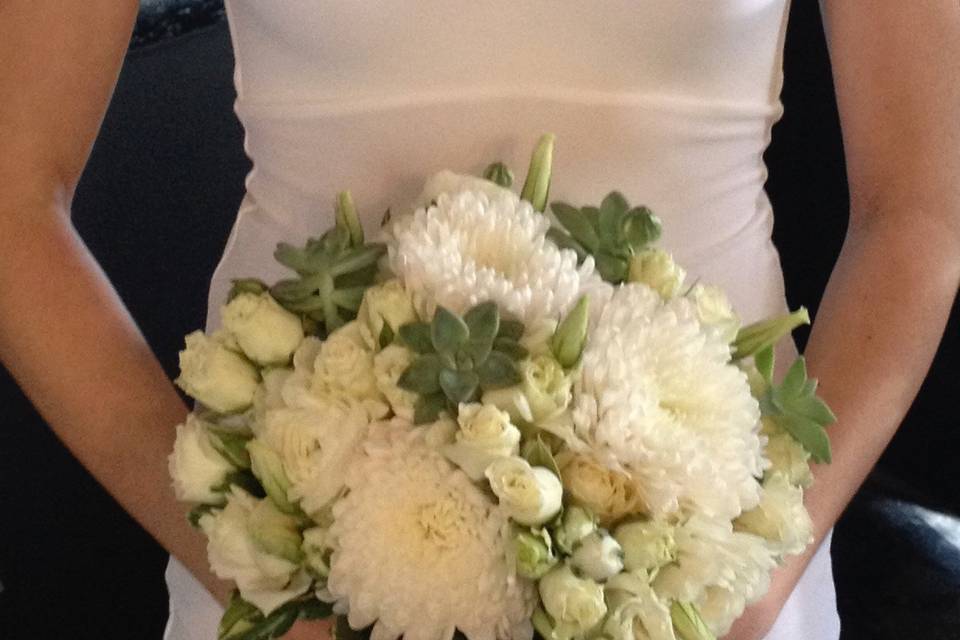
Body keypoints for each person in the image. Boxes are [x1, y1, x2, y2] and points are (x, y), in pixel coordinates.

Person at [1, 1, 958, 638]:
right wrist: (246, 565)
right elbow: (12, 206)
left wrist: (750, 589)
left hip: (714, 576)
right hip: (294, 560)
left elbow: (922, 212)